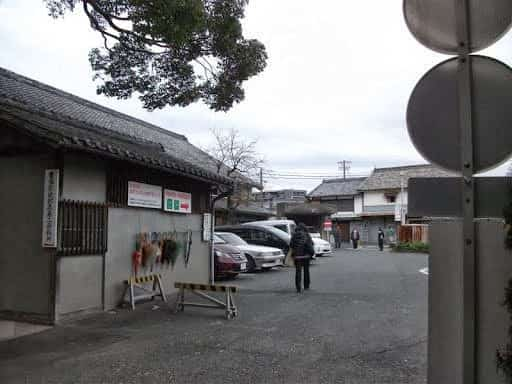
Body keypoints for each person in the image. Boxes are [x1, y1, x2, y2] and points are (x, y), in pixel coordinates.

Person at [289, 223, 314, 293]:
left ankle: (298, 287)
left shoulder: (294, 235)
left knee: (298, 271)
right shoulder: (307, 235)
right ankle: (306, 285)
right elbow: (310, 245)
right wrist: (312, 253)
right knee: (306, 271)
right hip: (306, 256)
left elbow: (291, 245)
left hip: (297, 256)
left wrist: (293, 254)